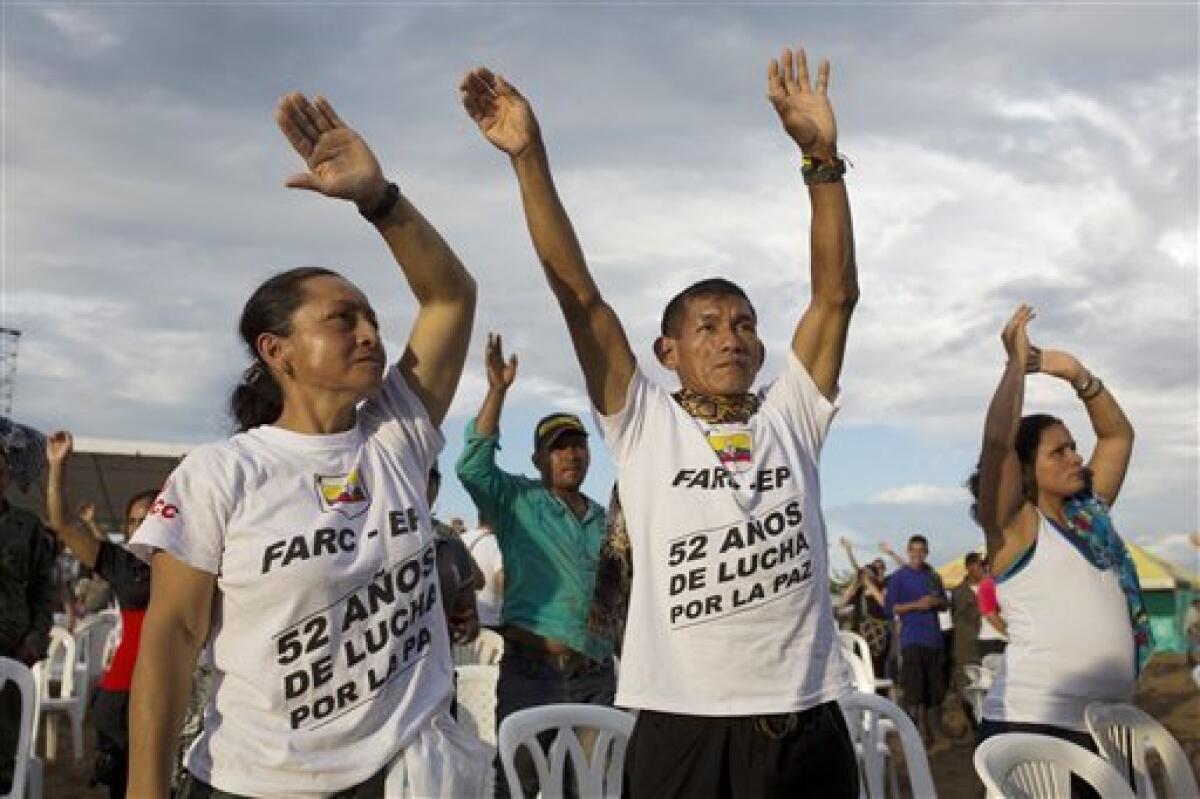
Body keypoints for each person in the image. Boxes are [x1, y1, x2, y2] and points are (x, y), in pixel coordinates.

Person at [461, 42, 859, 798]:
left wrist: (823, 163)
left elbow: (835, 296)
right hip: (683, 723)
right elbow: (579, 296)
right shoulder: (642, 420)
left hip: (805, 717)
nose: (729, 336)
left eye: (743, 323)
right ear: (665, 350)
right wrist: (528, 158)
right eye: (706, 325)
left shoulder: (792, 413)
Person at [127, 91, 478, 798]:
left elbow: (450, 298)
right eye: (342, 319)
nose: (371, 334)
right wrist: (144, 790)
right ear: (277, 349)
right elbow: (169, 641)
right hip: (257, 782)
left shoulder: (396, 433)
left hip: (403, 779)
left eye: (372, 318)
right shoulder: (223, 472)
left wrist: (379, 199)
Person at [969, 304, 1145, 797]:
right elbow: (998, 444)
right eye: (1059, 451)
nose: (1075, 457)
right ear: (1026, 470)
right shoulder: (1016, 527)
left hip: (1109, 733)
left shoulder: (1091, 517)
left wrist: (1074, 373)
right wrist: (1014, 366)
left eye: (1073, 447)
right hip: (1038, 732)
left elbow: (1118, 435)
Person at [455, 333, 612, 798]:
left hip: (596, 674)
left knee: (594, 786)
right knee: (519, 785)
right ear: (538, 459)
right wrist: (497, 392)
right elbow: (473, 468)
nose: (571, 454)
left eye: (578, 445)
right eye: (559, 447)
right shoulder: (517, 500)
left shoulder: (606, 519)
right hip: (532, 673)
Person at [45, 430, 154, 799]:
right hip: (123, 694)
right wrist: (58, 466)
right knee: (125, 787)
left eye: (152, 517)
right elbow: (62, 523)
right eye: (135, 521)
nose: (143, 526)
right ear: (126, 529)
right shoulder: (120, 563)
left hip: (178, 690)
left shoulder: (189, 564)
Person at [0, 441, 54, 795]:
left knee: (4, 754)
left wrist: (33, 642)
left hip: (10, 652)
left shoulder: (27, 527)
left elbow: (43, 591)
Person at [884, 534, 949, 751]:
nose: (917, 554)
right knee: (914, 690)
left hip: (934, 640)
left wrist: (934, 601)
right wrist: (915, 606)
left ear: (927, 552)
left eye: (921, 550)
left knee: (936, 689)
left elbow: (944, 604)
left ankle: (936, 734)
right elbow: (890, 608)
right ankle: (915, 737)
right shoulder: (898, 577)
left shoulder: (933, 576)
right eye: (914, 550)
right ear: (908, 552)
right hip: (912, 640)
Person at [838, 538, 890, 679]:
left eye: (880, 567)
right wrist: (855, 583)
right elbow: (842, 603)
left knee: (876, 671)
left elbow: (884, 603)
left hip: (876, 637)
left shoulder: (882, 587)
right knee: (859, 671)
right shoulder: (859, 591)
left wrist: (870, 585)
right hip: (859, 635)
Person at [949, 551, 985, 732]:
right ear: (970, 567)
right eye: (980, 564)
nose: (984, 567)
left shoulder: (994, 588)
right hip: (966, 647)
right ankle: (973, 727)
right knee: (967, 687)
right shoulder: (957, 593)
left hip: (989, 646)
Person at [461, 518, 504, 630]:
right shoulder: (496, 543)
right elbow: (501, 580)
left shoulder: (461, 538)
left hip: (464, 620)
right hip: (491, 621)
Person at [975, 565, 1007, 658]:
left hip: (997, 639)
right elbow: (990, 615)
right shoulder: (988, 583)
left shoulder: (997, 582)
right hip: (994, 641)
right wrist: (1011, 633)